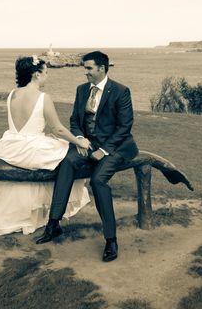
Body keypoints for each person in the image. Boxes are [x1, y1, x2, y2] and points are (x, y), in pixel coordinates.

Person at [36, 51, 139, 262]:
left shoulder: (121, 91)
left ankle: (111, 239)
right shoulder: (82, 90)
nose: (86, 73)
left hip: (116, 146)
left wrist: (104, 150)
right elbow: (74, 119)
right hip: (87, 145)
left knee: (98, 180)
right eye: (85, 68)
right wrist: (80, 138)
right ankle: (53, 224)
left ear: (102, 68)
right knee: (66, 163)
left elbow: (124, 127)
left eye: (89, 68)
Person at [0, 55, 91, 235]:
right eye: (46, 72)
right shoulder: (43, 97)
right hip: (32, 148)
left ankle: (24, 217)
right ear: (36, 75)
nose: (47, 76)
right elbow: (57, 129)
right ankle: (55, 210)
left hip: (10, 146)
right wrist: (79, 141)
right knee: (72, 156)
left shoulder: (12, 94)